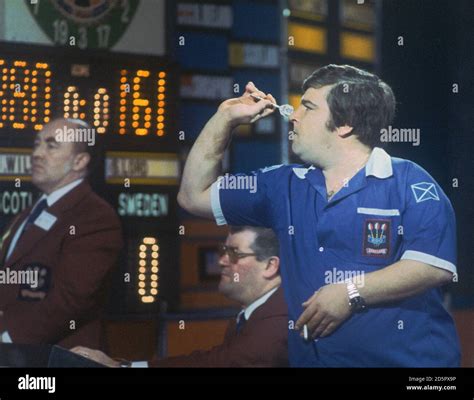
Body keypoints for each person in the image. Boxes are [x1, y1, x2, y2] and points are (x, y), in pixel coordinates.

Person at [177, 64, 460, 367]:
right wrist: (225, 118)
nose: (294, 115)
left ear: (345, 124)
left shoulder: (410, 182)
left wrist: (349, 292)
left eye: (308, 107)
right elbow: (193, 195)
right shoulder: (281, 185)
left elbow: (433, 266)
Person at [72, 226, 288, 367]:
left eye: (234, 253)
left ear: (270, 266)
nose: (221, 261)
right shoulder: (251, 315)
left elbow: (222, 363)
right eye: (223, 251)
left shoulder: (279, 319)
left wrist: (122, 367)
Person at [0, 118, 123, 349]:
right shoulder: (28, 213)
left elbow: (70, 300)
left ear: (79, 161)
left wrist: (7, 337)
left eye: (51, 145)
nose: (37, 153)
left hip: (52, 360)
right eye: (37, 144)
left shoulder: (94, 217)